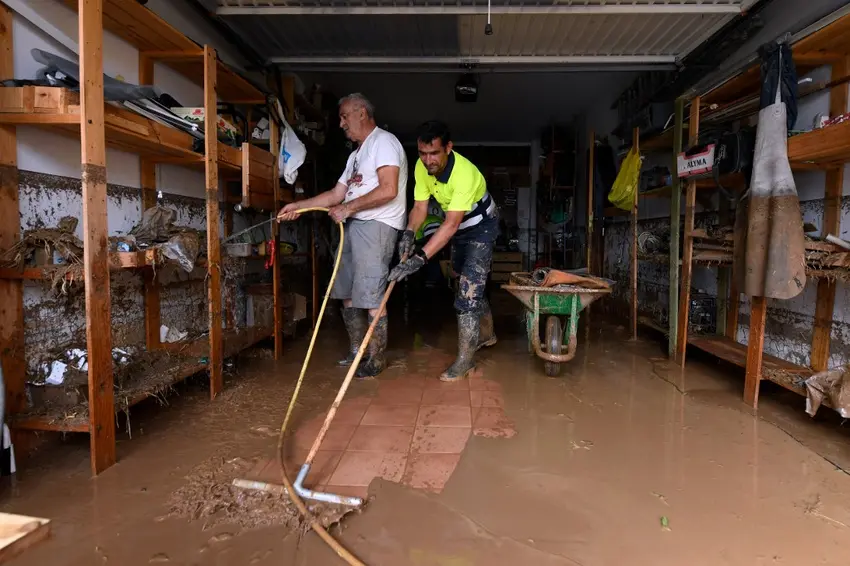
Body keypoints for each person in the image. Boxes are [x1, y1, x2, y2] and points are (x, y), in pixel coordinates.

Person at [278, 93, 407, 378]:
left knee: (371, 294)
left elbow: (388, 189)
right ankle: (357, 349)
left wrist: (348, 208)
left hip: (376, 225)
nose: (341, 124)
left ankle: (375, 358)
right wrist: (300, 206)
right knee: (345, 290)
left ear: (362, 113)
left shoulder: (384, 142)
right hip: (352, 223)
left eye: (344, 116)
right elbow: (337, 194)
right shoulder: (355, 155)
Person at [389, 120, 498, 382]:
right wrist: (409, 233)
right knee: (463, 279)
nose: (428, 160)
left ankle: (466, 361)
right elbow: (420, 207)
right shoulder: (422, 167)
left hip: (481, 227)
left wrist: (419, 258)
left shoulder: (464, 174)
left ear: (448, 147)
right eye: (423, 153)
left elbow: (450, 224)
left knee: (468, 292)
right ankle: (487, 334)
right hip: (458, 228)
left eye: (434, 153)